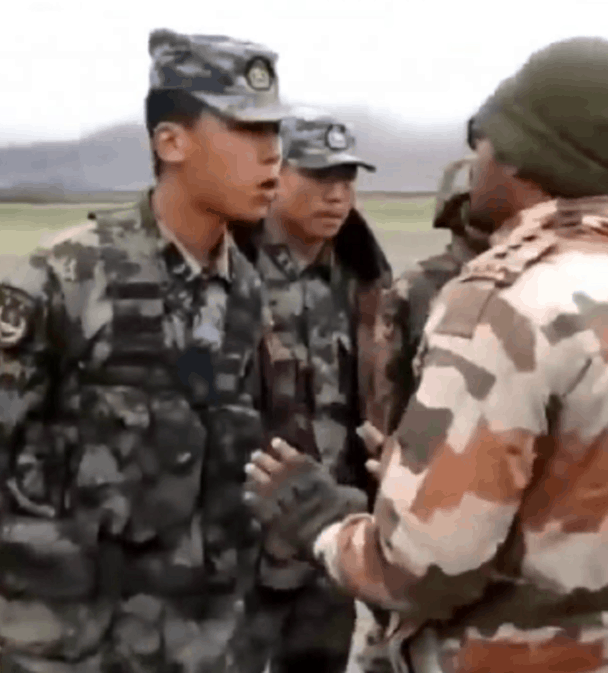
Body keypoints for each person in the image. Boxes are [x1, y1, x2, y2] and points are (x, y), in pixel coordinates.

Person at [242, 36, 608, 673]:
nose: (476, 158)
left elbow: (424, 567)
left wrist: (324, 519)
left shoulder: (500, 303)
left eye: (486, 138)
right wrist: (426, 472)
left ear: (526, 157)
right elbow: (586, 506)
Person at [0, 28, 288, 673]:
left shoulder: (244, 288)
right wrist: (55, 564)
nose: (272, 156)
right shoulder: (70, 272)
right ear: (171, 141)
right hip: (74, 642)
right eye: (247, 132)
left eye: (275, 134)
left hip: (198, 640)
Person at [228, 110, 391, 673]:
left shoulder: (362, 274)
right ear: (276, 176)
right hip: (240, 539)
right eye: (320, 178)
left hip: (328, 528)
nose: (338, 196)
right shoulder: (225, 266)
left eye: (347, 181)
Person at [355, 109, 495, 673]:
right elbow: (388, 388)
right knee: (404, 621)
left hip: (498, 468)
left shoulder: (534, 281)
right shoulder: (419, 285)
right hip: (424, 471)